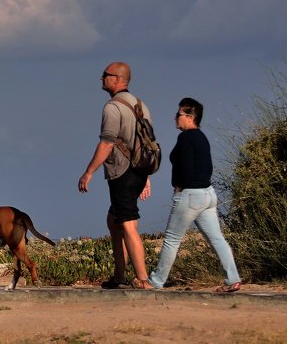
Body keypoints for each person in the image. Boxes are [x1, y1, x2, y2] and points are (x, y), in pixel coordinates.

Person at [148, 98, 243, 292]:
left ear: (190, 117)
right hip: (207, 194)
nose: (175, 118)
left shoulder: (186, 138)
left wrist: (179, 187)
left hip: (190, 195)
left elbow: (186, 168)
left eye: (179, 114)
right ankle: (233, 279)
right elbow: (206, 166)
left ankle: (155, 282)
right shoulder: (201, 137)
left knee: (172, 240)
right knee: (217, 239)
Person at [77, 61, 153, 289]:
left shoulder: (112, 107)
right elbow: (146, 143)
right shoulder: (141, 105)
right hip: (138, 171)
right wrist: (146, 176)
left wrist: (88, 172)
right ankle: (119, 274)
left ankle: (142, 279)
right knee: (114, 220)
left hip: (123, 172)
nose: (101, 78)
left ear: (117, 79)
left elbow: (107, 143)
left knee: (128, 224)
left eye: (105, 75)